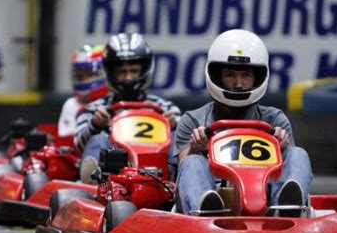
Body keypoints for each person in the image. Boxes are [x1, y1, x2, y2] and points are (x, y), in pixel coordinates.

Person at [175, 29, 312, 217]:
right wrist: (196, 148)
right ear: (217, 76)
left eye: (246, 75)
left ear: (257, 77)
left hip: (264, 197)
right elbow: (183, 165)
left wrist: (281, 148)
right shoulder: (193, 119)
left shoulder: (274, 119)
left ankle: (286, 209)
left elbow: (290, 165)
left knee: (298, 154)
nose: (238, 83)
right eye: (230, 74)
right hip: (215, 194)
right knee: (192, 160)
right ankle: (205, 210)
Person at [75, 33, 181, 184]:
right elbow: (78, 146)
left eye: (133, 71)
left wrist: (173, 124)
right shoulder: (95, 109)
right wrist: (95, 125)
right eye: (122, 72)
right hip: (114, 175)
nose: (128, 78)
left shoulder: (163, 107)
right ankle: (96, 181)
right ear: (111, 73)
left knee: (177, 134)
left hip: (155, 168)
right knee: (98, 139)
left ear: (144, 71)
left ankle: (172, 179)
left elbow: (187, 138)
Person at [57, 44, 108, 136]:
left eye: (89, 74)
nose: (84, 80)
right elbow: (67, 141)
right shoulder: (71, 105)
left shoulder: (114, 101)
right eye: (80, 76)